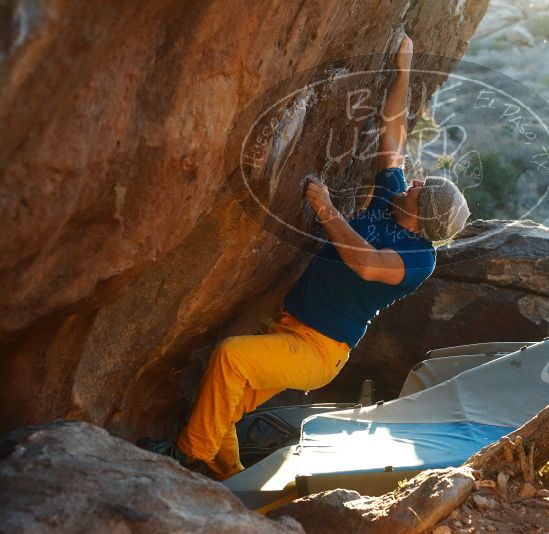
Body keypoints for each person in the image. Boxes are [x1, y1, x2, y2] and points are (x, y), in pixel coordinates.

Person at [138, 34, 471, 480]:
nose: (412, 183)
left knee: (231, 358)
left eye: (420, 190)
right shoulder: (391, 198)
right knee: (226, 403)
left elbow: (368, 264)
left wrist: (325, 208)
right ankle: (229, 479)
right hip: (289, 327)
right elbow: (395, 128)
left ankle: (184, 456)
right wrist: (405, 65)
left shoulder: (418, 258)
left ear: (422, 214)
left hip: (318, 351)